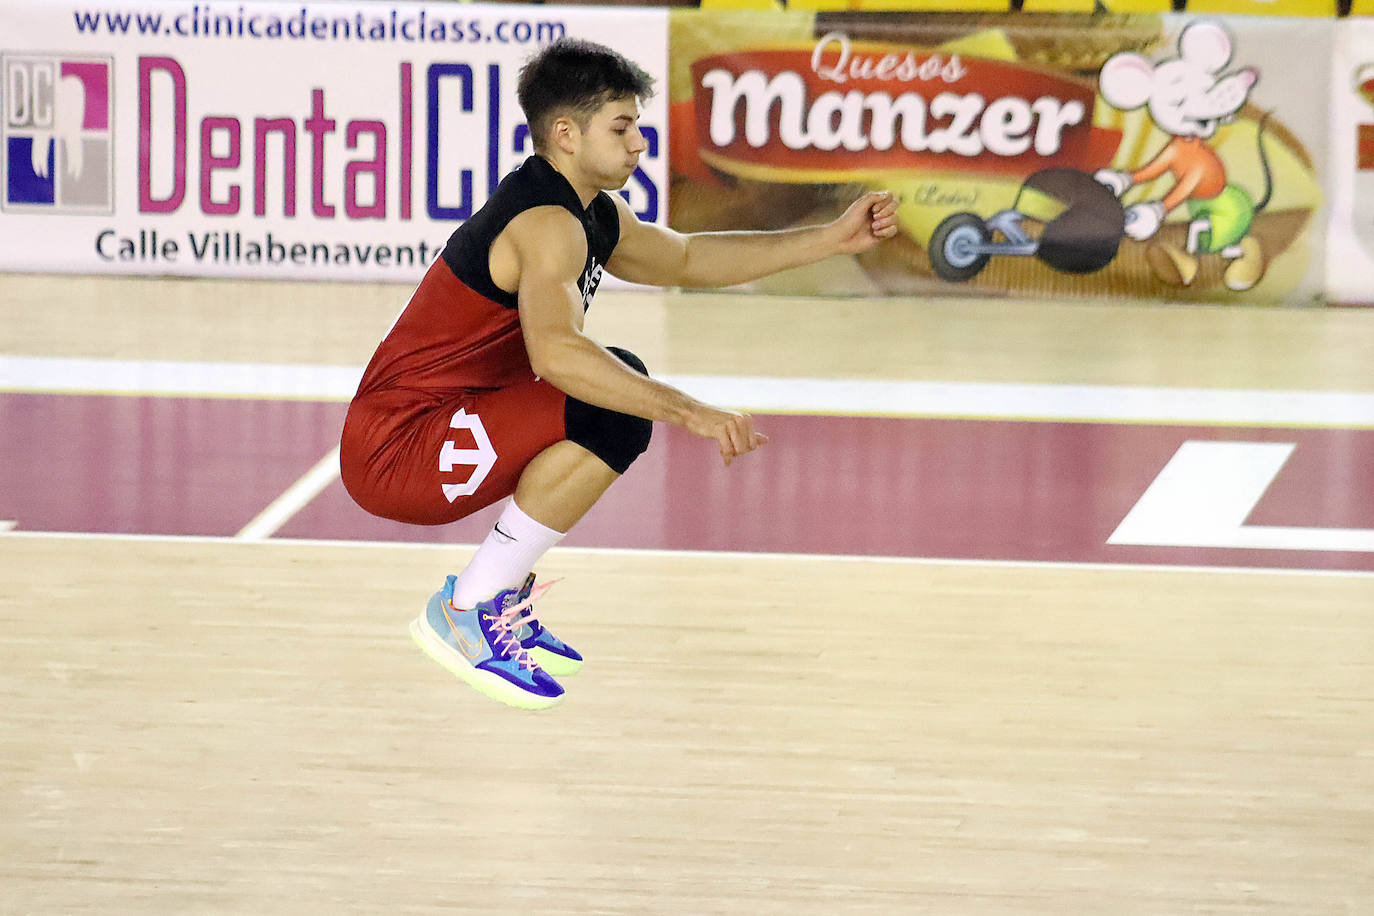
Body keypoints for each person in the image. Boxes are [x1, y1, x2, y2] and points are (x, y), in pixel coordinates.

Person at [339, 37, 898, 710]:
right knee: (614, 401)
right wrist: (687, 408)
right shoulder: (546, 224)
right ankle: (468, 609)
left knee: (618, 392)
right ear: (567, 134)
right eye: (623, 127)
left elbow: (688, 260)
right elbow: (556, 354)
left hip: (436, 423)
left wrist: (833, 238)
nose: (639, 144)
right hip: (399, 449)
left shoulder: (591, 213)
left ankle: (497, 589)